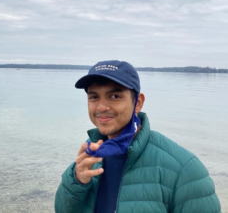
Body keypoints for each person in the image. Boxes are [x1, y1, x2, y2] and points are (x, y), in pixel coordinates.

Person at [55, 60, 221, 213]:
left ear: (138, 103)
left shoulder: (185, 168)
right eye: (93, 97)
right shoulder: (90, 153)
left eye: (115, 96)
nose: (102, 106)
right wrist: (77, 181)